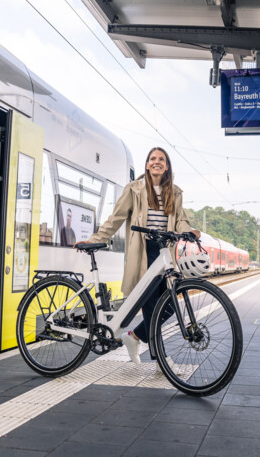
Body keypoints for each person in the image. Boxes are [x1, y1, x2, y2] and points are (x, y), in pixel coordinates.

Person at [78, 147, 200, 365]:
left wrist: (188, 231)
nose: (157, 162)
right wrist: (97, 238)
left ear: (167, 166)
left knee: (169, 307)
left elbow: (181, 219)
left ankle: (134, 337)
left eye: (161, 159)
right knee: (153, 308)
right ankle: (161, 361)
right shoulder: (134, 189)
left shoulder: (175, 192)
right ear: (147, 164)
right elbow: (116, 218)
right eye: (153, 159)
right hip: (143, 252)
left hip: (165, 252)